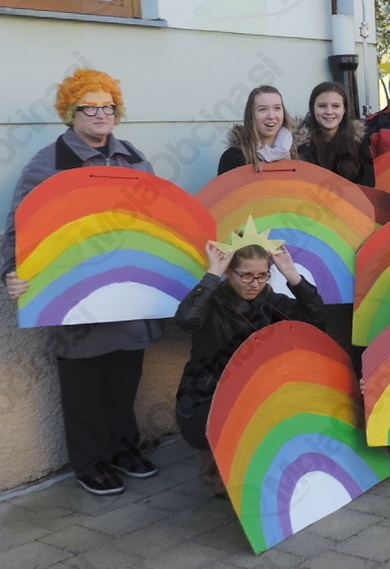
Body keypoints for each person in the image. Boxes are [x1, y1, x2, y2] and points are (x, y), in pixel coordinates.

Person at [2, 69, 161, 496]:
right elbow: (19, 228)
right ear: (70, 112)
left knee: (124, 378)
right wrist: (11, 272)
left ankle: (124, 448)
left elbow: (154, 220)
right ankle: (91, 463)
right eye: (89, 107)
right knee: (84, 385)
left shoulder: (134, 159)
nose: (100, 114)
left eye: (108, 106)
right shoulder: (49, 163)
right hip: (73, 297)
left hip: (127, 293)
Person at [175, 237, 325, 495]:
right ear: (229, 271)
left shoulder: (272, 303)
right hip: (207, 395)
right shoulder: (211, 304)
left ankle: (252, 466)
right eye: (246, 276)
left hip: (257, 392)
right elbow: (186, 319)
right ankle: (219, 463)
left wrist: (291, 274)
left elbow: (317, 322)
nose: (255, 284)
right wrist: (213, 274)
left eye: (262, 275)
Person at [297, 81, 374, 186]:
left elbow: (368, 185)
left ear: (344, 109)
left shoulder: (360, 142)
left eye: (335, 106)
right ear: (313, 109)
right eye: (322, 106)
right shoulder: (298, 146)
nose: (329, 112)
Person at [218, 85, 297, 174]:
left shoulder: (300, 152)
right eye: (263, 109)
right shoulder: (233, 157)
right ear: (251, 115)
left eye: (277, 108)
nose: (271, 116)